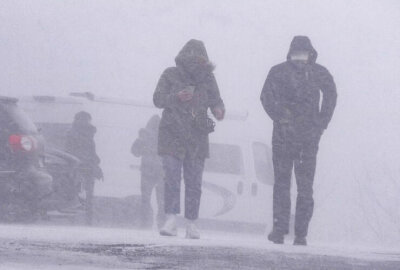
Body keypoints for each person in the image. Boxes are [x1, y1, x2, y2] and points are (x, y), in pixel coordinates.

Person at [260, 36, 337, 245]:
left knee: (305, 187)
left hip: (308, 139)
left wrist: (322, 123)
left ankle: (301, 233)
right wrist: (280, 116)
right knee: (282, 184)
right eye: (296, 54)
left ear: (310, 54)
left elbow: (331, 95)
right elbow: (265, 96)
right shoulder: (278, 71)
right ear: (290, 54)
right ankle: (279, 229)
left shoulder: (319, 72)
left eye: (303, 54)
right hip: (283, 137)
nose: (299, 59)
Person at [153, 39, 225, 239]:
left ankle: (191, 223)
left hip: (197, 135)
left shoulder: (208, 79)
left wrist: (219, 110)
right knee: (172, 178)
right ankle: (171, 219)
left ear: (204, 61)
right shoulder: (170, 74)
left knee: (194, 182)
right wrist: (176, 97)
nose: (195, 62)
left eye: (199, 59)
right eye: (191, 58)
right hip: (171, 134)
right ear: (183, 58)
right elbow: (157, 99)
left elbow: (216, 100)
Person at [65, 111, 103, 225]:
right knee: (85, 195)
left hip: (80, 167)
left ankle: (80, 220)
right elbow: (87, 152)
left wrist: (95, 162)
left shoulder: (75, 133)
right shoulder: (83, 134)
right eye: (86, 120)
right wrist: (94, 162)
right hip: (83, 167)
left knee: (76, 194)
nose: (87, 122)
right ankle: (86, 220)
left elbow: (71, 151)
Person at [131, 115, 165, 229]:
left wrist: (141, 140)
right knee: (161, 200)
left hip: (147, 172)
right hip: (161, 172)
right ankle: (161, 223)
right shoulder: (165, 137)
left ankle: (145, 221)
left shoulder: (145, 137)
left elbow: (135, 152)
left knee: (145, 199)